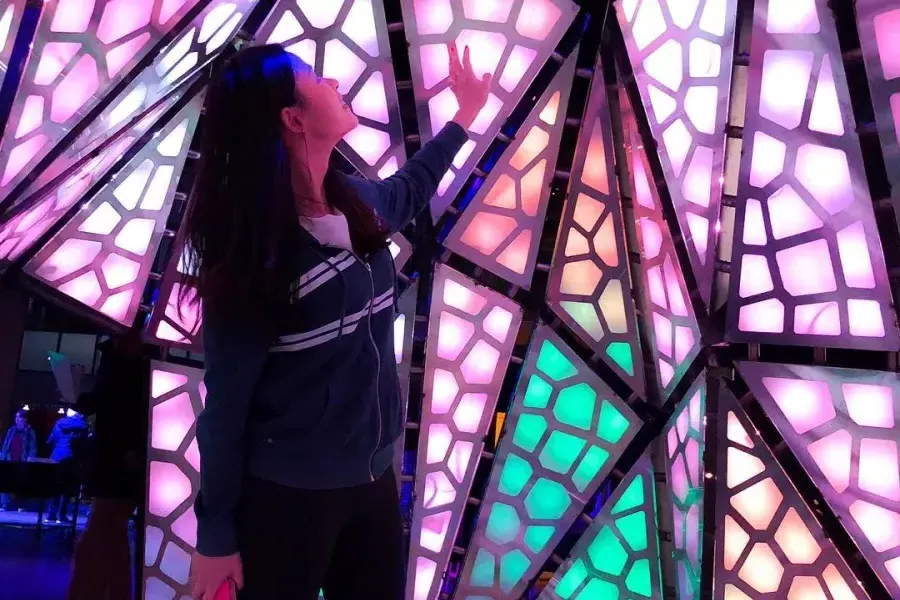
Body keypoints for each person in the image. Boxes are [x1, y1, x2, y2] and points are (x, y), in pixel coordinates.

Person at [184, 43, 489, 600]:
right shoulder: (256, 253)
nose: (334, 82)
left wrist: (465, 115)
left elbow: (412, 188)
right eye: (314, 78)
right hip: (285, 499)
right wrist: (215, 536)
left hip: (371, 482)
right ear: (293, 119)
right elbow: (224, 410)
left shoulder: (354, 205)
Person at [67, 323, 151, 600]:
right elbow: (119, 407)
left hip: (116, 461)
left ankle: (94, 593)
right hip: (117, 460)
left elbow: (114, 407)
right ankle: (110, 593)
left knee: (103, 534)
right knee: (109, 536)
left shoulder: (122, 363)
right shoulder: (134, 365)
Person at [45, 408, 90, 523]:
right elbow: (84, 444)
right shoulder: (83, 425)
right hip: (70, 458)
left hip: (56, 457)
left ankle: (51, 515)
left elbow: (50, 441)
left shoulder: (59, 423)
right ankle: (62, 515)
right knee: (66, 487)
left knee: (55, 486)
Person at [0, 410, 38, 510]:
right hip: (9, 460)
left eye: (19, 417)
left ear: (25, 419)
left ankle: (20, 505)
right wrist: (3, 456)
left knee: (21, 484)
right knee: (5, 482)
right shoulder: (11, 430)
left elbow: (33, 448)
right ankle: (5, 504)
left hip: (22, 461)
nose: (16, 419)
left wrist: (30, 460)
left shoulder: (30, 432)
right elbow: (5, 445)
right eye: (16, 417)